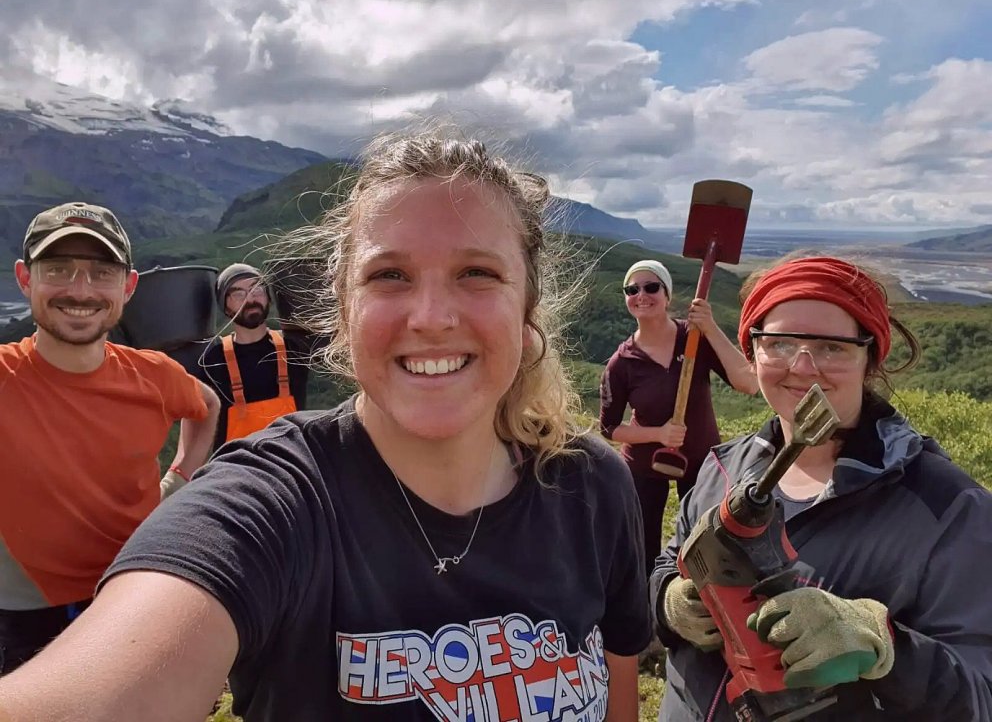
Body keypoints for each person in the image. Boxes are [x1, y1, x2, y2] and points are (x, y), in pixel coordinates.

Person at [0, 134, 653, 721]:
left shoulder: (591, 485)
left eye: (477, 273)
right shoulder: (271, 506)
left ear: (527, 305)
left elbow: (618, 684)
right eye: (389, 275)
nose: (431, 316)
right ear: (342, 309)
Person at [652, 255, 992, 721]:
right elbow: (667, 565)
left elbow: (979, 695)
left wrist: (885, 646)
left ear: (870, 358)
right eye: (780, 343)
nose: (803, 367)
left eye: (832, 347)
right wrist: (670, 601)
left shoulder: (947, 508)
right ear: (753, 351)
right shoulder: (721, 469)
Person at [0, 202, 220, 676]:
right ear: (25, 278)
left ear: (128, 287)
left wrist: (178, 479)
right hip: (25, 617)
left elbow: (207, 406)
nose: (80, 290)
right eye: (58, 269)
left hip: (138, 585)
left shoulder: (155, 375)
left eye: (101, 273)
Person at [599, 259, 758, 573]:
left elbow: (749, 383)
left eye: (651, 287)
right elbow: (609, 428)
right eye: (632, 289)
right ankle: (647, 598)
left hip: (700, 460)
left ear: (667, 295)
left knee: (703, 543)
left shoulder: (695, 337)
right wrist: (658, 434)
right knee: (642, 546)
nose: (641, 295)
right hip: (645, 464)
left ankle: (690, 598)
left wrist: (710, 327)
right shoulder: (622, 362)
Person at [192, 263, 309, 452]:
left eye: (257, 289)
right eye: (239, 294)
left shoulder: (294, 349)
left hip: (291, 463)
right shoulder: (212, 361)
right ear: (225, 306)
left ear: (269, 298)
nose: (251, 299)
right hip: (235, 466)